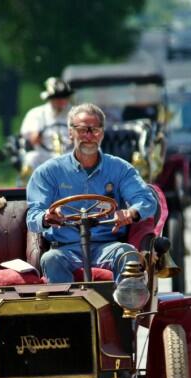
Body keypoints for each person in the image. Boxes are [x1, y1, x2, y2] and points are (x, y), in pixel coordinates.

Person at [26, 103, 157, 283]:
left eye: (94, 130)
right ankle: (69, 309)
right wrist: (47, 217)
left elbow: (146, 200)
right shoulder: (47, 172)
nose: (88, 136)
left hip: (108, 247)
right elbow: (33, 216)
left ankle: (125, 307)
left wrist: (130, 213)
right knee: (51, 259)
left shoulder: (120, 168)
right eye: (82, 130)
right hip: (66, 249)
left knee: (126, 254)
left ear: (102, 133)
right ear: (70, 133)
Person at [19, 77, 74, 175]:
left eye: (64, 96)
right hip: (45, 156)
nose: (61, 100)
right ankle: (26, 187)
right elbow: (31, 138)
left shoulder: (77, 113)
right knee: (31, 158)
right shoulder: (36, 114)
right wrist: (34, 135)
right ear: (50, 98)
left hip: (72, 155)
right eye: (57, 97)